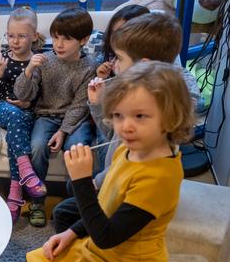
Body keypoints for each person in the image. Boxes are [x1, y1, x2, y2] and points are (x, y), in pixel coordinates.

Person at [26, 61, 194, 262]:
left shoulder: (159, 178)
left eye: (140, 116)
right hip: (103, 254)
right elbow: (107, 203)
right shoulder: (130, 148)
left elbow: (106, 236)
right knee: (36, 261)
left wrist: (81, 182)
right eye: (118, 116)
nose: (125, 126)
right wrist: (70, 232)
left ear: (171, 116)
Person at [53, 12, 202, 233]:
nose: (114, 65)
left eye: (119, 58)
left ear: (143, 65)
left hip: (122, 188)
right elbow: (115, 136)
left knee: (66, 211)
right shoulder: (137, 90)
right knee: (70, 199)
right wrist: (97, 104)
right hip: (117, 179)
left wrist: (88, 182)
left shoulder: (157, 108)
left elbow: (108, 234)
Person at [13, 7, 97, 228]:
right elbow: (22, 95)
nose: (59, 44)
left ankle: (77, 204)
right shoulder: (45, 61)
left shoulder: (90, 67)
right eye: (56, 37)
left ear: (83, 40)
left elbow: (80, 105)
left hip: (75, 120)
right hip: (46, 115)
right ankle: (37, 201)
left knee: (76, 149)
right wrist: (29, 69)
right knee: (38, 145)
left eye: (66, 39)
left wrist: (63, 131)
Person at [0, 6, 47, 223]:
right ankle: (26, 171)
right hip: (1, 109)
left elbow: (43, 93)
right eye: (11, 36)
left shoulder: (38, 61)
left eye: (22, 36)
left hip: (26, 113)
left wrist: (29, 102)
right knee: (16, 116)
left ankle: (15, 192)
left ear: (34, 36)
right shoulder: (3, 58)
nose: (15, 41)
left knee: (19, 127)